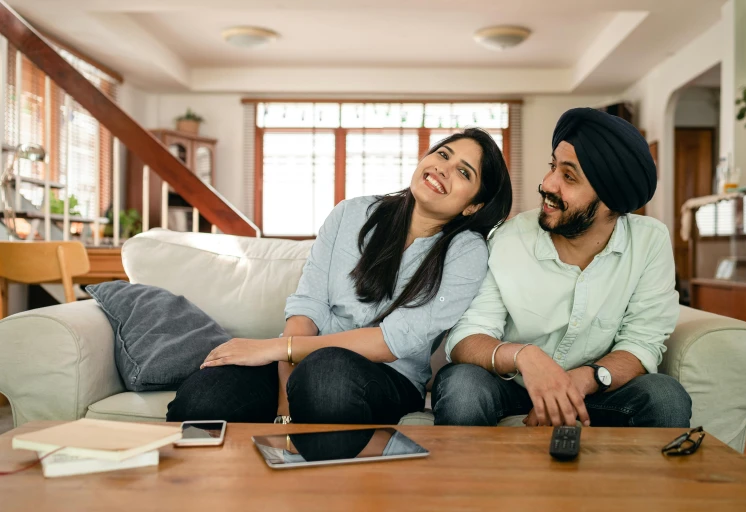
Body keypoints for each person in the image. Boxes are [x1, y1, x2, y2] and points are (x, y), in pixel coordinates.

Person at [166, 128, 513, 425]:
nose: (443, 168)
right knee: (203, 396)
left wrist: (272, 348)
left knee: (327, 375)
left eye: (464, 172)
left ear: (474, 207)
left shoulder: (467, 252)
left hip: (385, 379)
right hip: (301, 363)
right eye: (443, 154)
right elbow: (308, 306)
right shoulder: (352, 213)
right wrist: (286, 404)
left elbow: (391, 341)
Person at [432, 108, 691, 429]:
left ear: (611, 198)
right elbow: (469, 336)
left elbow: (642, 341)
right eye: (553, 166)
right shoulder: (508, 238)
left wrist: (583, 380)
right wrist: (525, 357)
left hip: (594, 389)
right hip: (509, 383)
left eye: (569, 176)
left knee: (664, 396)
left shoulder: (650, 241)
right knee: (463, 386)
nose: (547, 183)